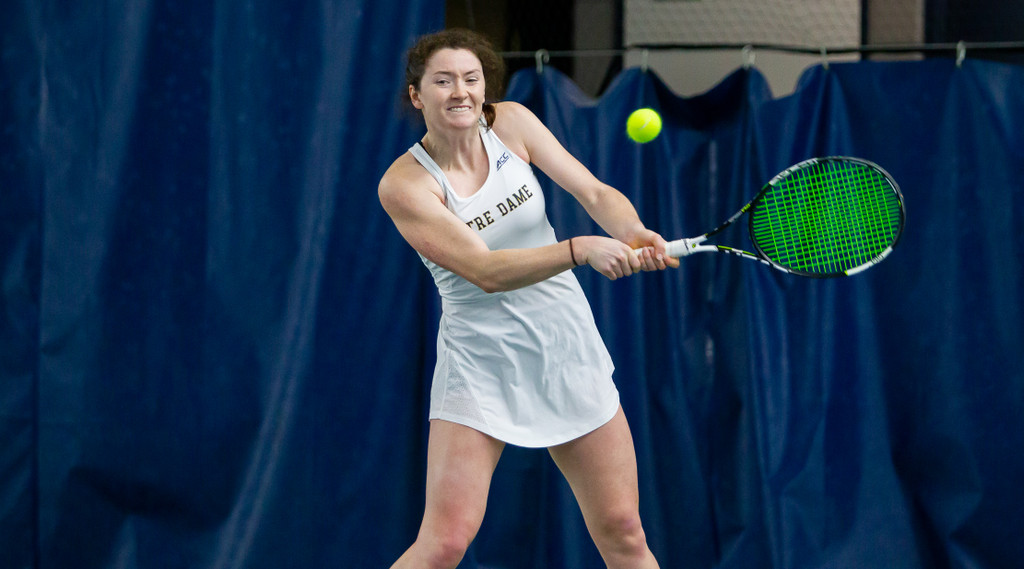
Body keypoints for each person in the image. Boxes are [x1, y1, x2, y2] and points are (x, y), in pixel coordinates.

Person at [378, 28, 678, 569]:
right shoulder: (404, 186)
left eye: (471, 79)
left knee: (624, 530)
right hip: (480, 362)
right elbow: (485, 271)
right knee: (444, 544)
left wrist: (632, 230)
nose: (461, 92)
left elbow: (591, 191)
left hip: (565, 345)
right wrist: (580, 248)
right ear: (418, 94)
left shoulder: (512, 122)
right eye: (443, 81)